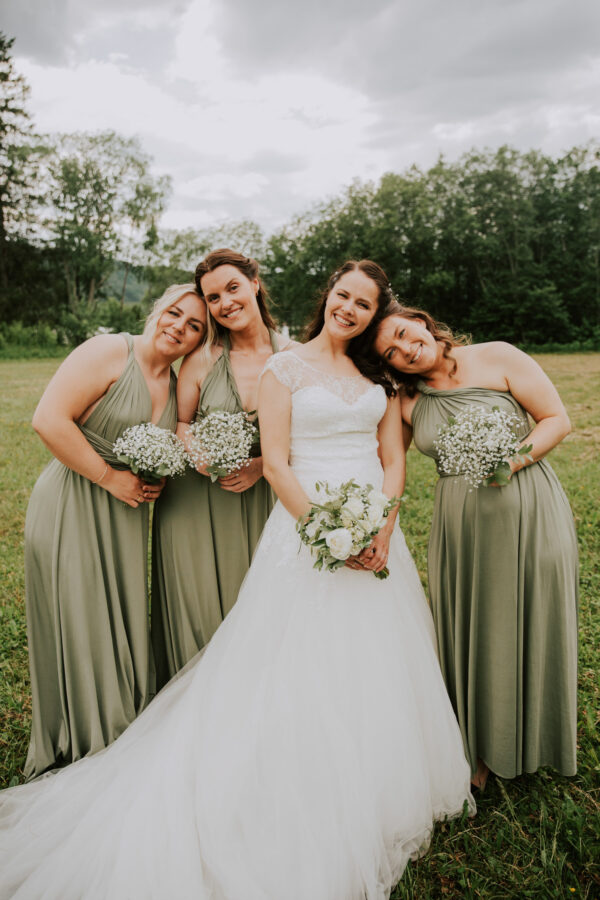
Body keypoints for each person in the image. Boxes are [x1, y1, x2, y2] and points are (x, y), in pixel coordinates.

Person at [0, 261, 473, 900]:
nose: (349, 310)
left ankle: (379, 775)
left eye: (364, 304)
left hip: (376, 533)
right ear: (327, 296)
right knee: (289, 657)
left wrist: (381, 528)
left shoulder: (379, 378)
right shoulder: (285, 368)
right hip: (306, 529)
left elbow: (393, 459)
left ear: (375, 312)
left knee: (379, 655)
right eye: (342, 296)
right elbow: (274, 463)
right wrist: (325, 531)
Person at [360, 301, 578, 789]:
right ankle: (479, 747)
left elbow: (556, 419)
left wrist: (508, 461)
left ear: (420, 322)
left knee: (532, 615)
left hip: (530, 508)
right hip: (460, 526)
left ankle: (534, 740)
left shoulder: (497, 355)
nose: (404, 349)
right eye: (390, 352)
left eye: (403, 333)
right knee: (474, 629)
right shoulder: (404, 401)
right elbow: (387, 462)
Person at [21, 284, 206, 780]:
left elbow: (158, 448)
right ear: (157, 310)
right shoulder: (108, 351)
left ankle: (120, 726)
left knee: (115, 618)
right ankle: (86, 737)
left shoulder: (176, 383)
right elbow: (48, 420)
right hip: (73, 502)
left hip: (125, 515)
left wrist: (157, 475)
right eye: (175, 314)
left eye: (194, 326)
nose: (179, 328)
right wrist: (108, 477)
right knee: (80, 617)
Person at [151, 249, 292, 687]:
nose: (226, 303)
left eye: (233, 288)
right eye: (213, 298)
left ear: (255, 284)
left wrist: (261, 466)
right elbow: (182, 421)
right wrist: (200, 455)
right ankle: (192, 698)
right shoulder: (203, 357)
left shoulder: (296, 356)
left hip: (264, 499)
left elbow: (309, 434)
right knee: (199, 607)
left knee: (256, 605)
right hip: (195, 502)